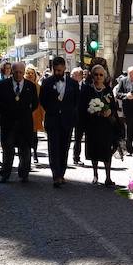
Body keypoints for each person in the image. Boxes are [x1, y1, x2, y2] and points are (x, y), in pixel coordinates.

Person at [39, 55, 79, 187]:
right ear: (52, 69)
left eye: (60, 71)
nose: (58, 73)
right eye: (56, 70)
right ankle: (55, 175)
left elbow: (76, 102)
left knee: (64, 148)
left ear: (65, 69)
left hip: (67, 121)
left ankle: (62, 173)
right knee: (53, 148)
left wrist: (70, 114)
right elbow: (43, 100)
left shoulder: (73, 84)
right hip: (53, 120)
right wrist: (52, 110)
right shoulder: (47, 82)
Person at [0, 62, 39, 183]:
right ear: (12, 72)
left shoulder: (31, 86)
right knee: (8, 150)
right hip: (8, 123)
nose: (19, 75)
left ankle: (24, 173)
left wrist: (25, 111)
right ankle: (5, 174)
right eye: (16, 72)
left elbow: (35, 103)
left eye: (21, 72)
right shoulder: (2, 85)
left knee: (25, 150)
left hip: (25, 124)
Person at [78, 64, 120, 186]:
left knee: (107, 150)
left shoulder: (108, 90)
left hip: (106, 125)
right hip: (92, 125)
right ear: (92, 75)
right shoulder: (87, 89)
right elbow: (82, 107)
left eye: (101, 75)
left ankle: (108, 177)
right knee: (94, 149)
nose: (98, 77)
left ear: (104, 76)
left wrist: (109, 111)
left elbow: (113, 107)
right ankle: (95, 175)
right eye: (96, 74)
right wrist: (90, 111)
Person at [24, 65, 44, 166]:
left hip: (35, 113)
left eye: (32, 73)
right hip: (25, 113)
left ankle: (35, 153)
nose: (30, 75)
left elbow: (40, 101)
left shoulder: (38, 86)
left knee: (34, 135)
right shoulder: (23, 84)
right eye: (28, 73)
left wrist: (42, 114)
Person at [70, 67, 86, 165]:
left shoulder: (86, 87)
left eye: (74, 75)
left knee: (78, 138)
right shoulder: (68, 86)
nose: (72, 77)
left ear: (80, 76)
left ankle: (76, 157)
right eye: (72, 75)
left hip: (81, 116)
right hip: (70, 115)